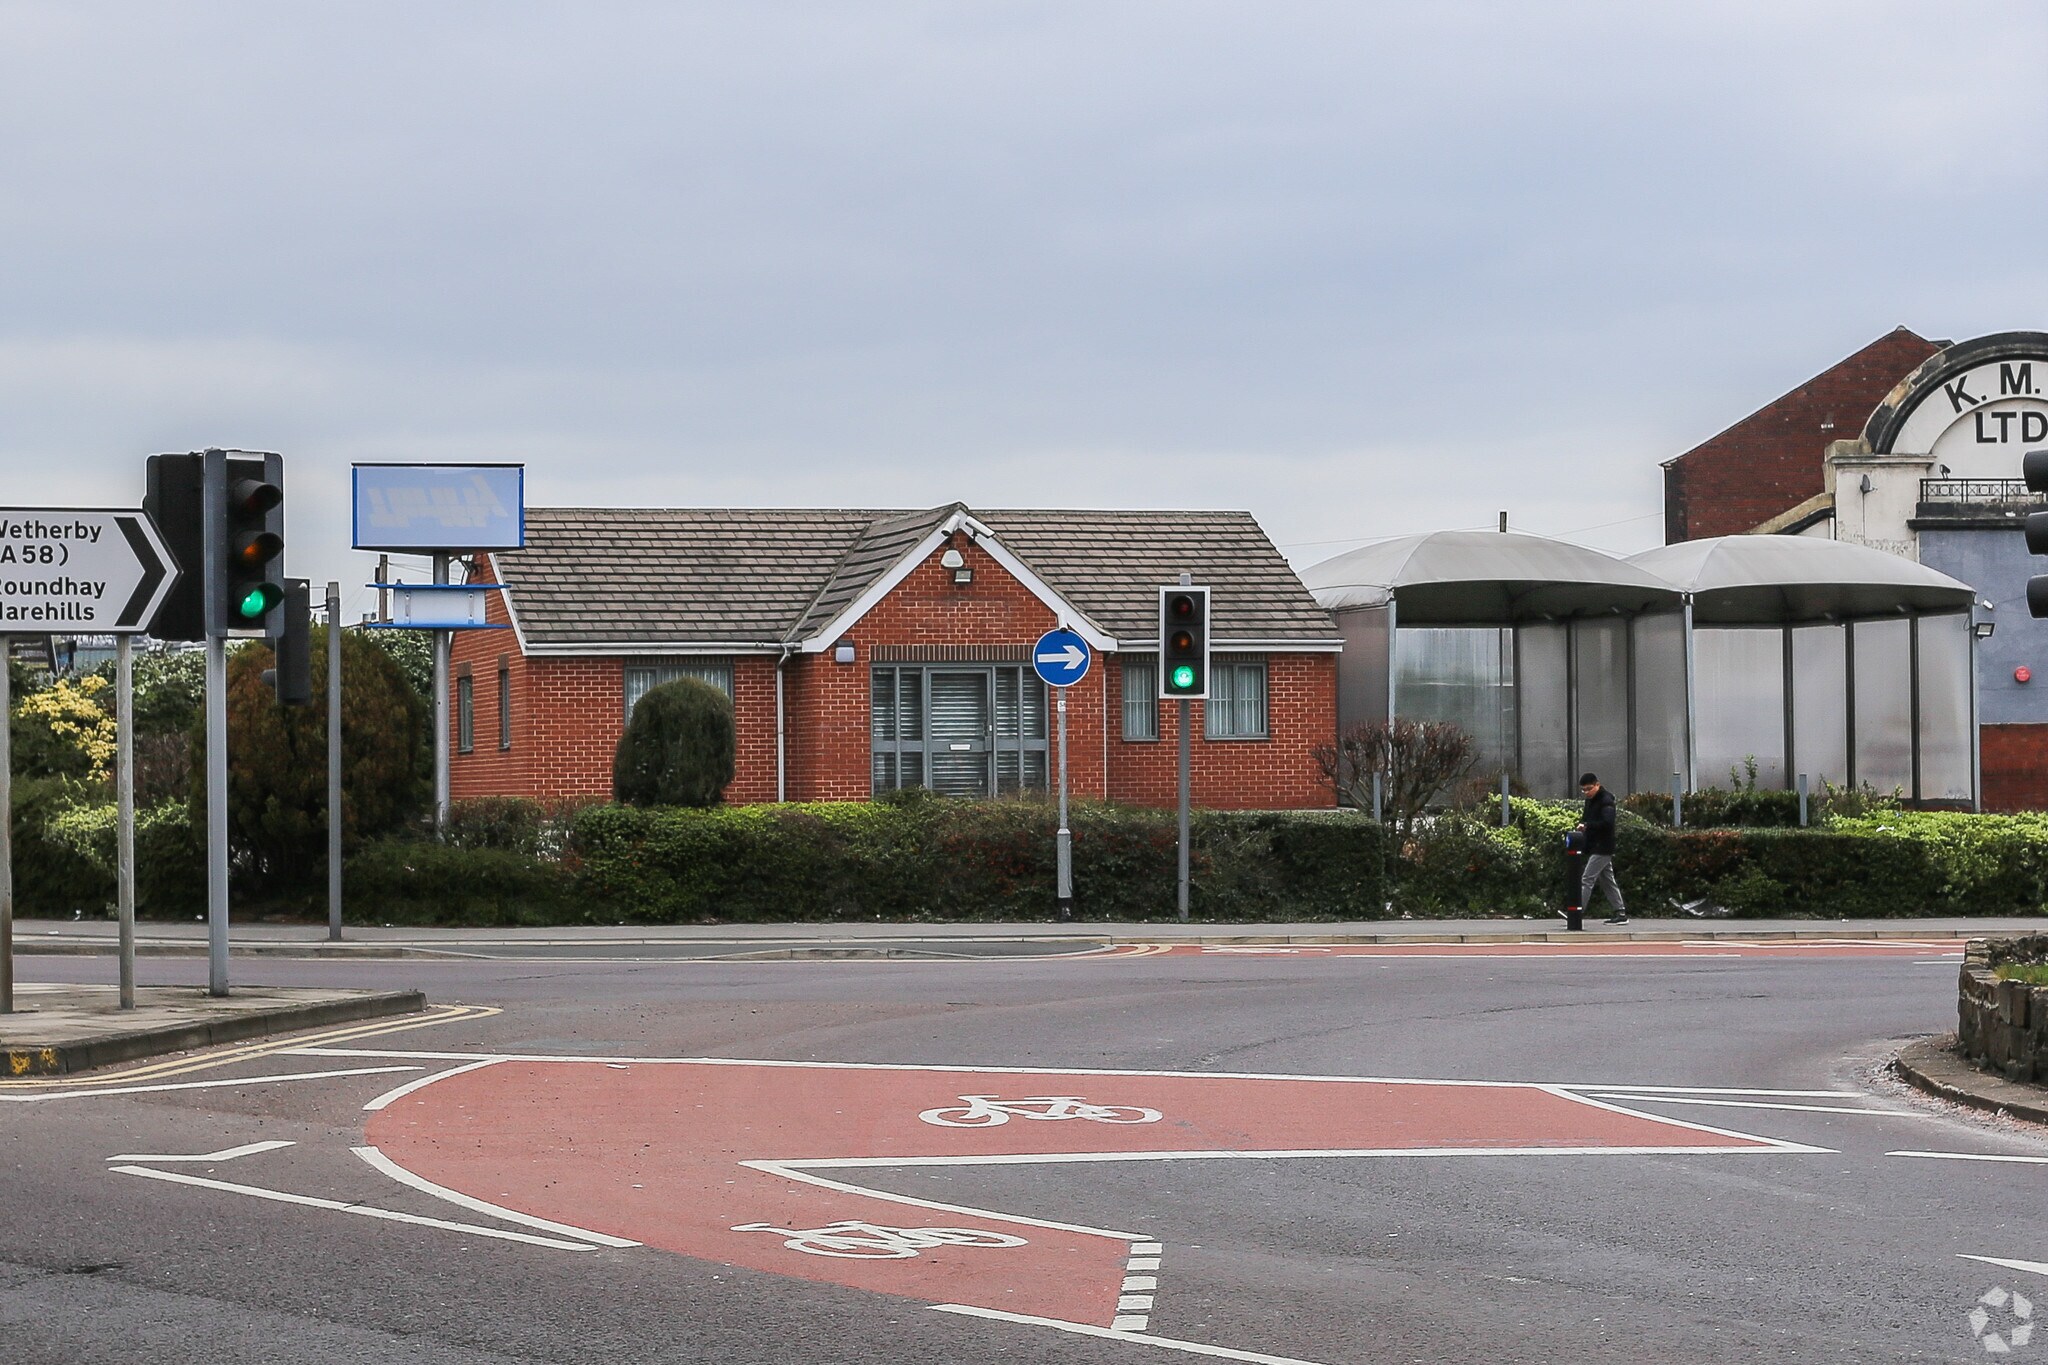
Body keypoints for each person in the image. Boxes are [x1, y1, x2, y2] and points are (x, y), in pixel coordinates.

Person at [1575, 772, 1627, 925]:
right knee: (1607, 880)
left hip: (1603, 847)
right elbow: (1587, 818)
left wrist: (1587, 826)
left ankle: (1577, 911)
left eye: (1589, 788)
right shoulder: (1590, 801)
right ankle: (1621, 912)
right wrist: (1584, 825)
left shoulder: (1606, 800)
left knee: (1587, 879)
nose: (1586, 792)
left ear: (1597, 784)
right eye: (1583, 790)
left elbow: (1608, 823)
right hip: (1597, 845)